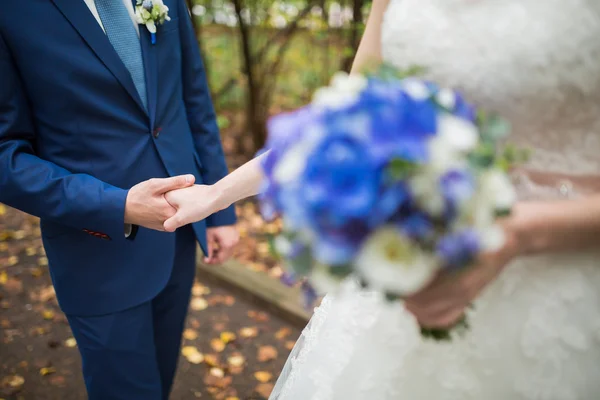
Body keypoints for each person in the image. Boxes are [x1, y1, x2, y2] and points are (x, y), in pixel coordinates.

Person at [164, 0, 600, 398]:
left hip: (558, 295)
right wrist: (217, 195)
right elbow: (343, 123)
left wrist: (520, 232)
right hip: (400, 283)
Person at [0, 1, 239, 399]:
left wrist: (220, 208)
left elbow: (192, 96)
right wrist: (117, 206)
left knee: (160, 383)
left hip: (181, 232)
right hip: (96, 249)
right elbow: (5, 154)